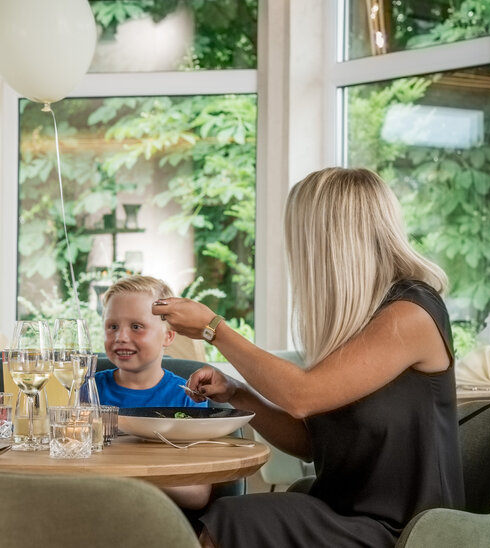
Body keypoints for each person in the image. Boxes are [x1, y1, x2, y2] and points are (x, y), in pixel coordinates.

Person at [152, 167, 463, 548]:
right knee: (224, 518)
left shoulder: (411, 312)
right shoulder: (357, 322)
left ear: (331, 238)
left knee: (228, 521)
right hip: (343, 511)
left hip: (406, 531)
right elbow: (309, 443)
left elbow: (303, 397)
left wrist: (214, 328)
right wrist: (238, 393)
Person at [95, 275, 211, 510]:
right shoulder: (86, 390)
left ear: (168, 336)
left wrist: (129, 472)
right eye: (112, 326)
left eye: (136, 327)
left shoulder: (188, 398)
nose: (121, 337)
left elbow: (198, 494)